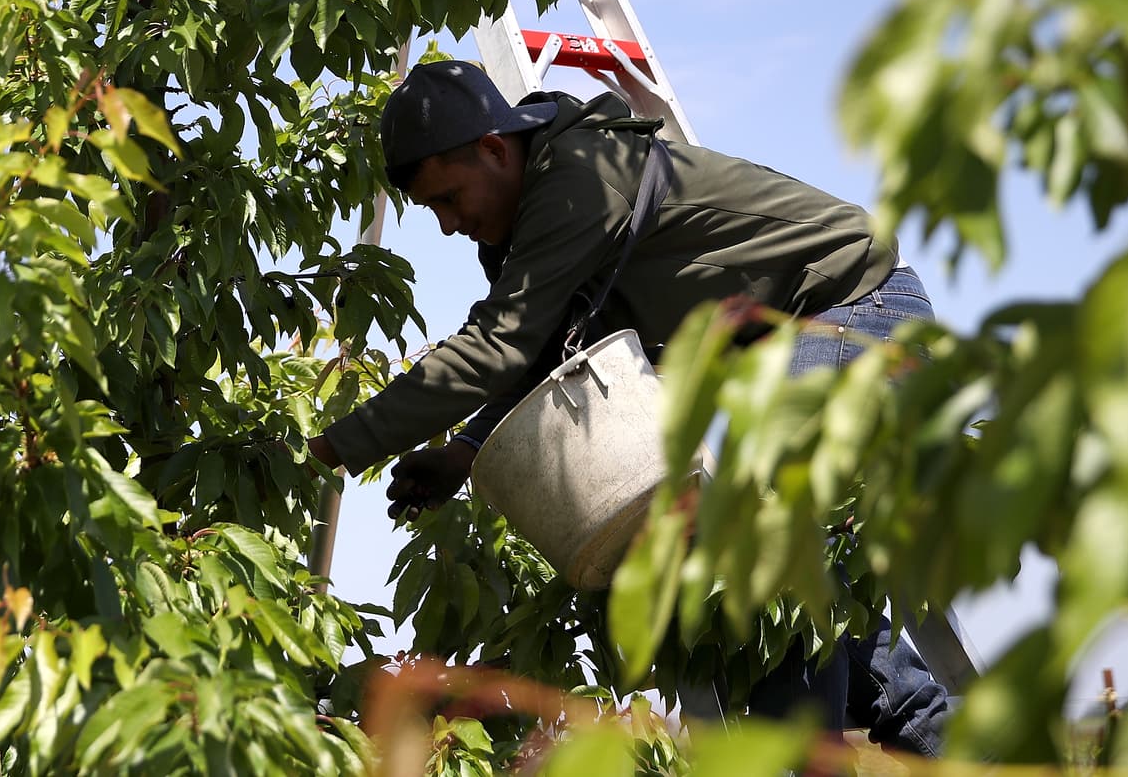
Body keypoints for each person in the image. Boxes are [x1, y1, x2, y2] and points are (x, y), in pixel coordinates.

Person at [307, 59, 946, 755]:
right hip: (786, 350)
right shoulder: (525, 225)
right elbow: (544, 351)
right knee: (791, 583)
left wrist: (328, 449)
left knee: (760, 553)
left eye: (450, 199)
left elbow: (499, 347)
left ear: (494, 149)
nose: (448, 226)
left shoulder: (578, 178)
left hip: (855, 313)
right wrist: (464, 452)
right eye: (433, 210)